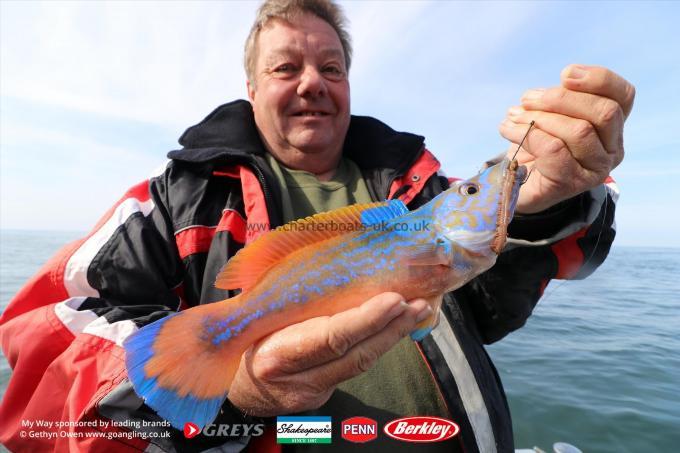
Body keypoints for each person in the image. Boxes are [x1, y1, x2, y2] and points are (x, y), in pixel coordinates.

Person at [0, 0, 634, 452]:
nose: (312, 84)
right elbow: (42, 385)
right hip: (297, 433)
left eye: (331, 69)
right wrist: (240, 396)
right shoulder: (169, 204)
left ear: (350, 84)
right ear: (251, 87)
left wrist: (543, 202)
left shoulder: (421, 196)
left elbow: (494, 307)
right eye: (285, 68)